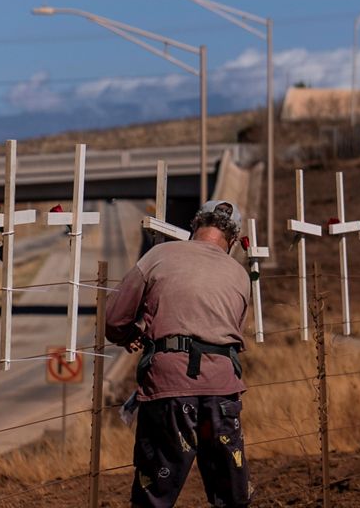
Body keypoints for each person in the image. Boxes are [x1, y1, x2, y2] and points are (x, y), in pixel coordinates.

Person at [106, 199, 252, 508]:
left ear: (195, 225)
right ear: (233, 239)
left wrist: (130, 334)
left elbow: (114, 318)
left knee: (154, 495)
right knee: (230, 496)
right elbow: (235, 330)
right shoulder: (239, 274)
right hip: (222, 393)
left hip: (169, 390)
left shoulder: (158, 256)